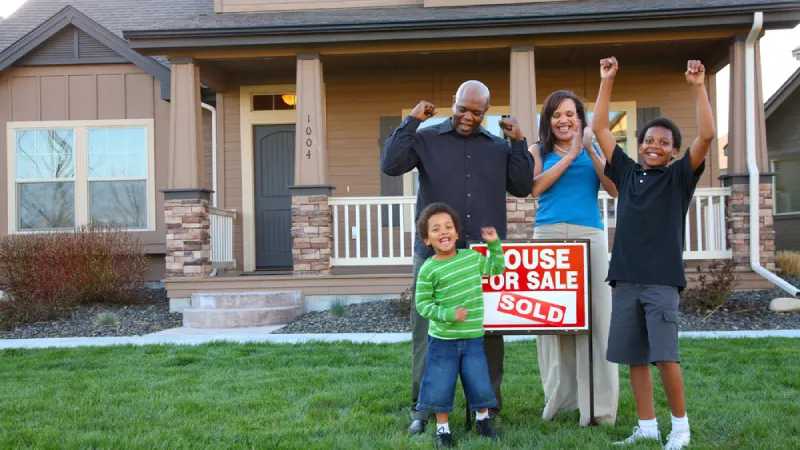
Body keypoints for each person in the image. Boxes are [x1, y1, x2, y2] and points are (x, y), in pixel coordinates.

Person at [381, 80, 534, 434]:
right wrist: (411, 121)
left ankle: (487, 407)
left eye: (476, 112)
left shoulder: (499, 147)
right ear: (454, 102)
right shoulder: (426, 138)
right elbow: (390, 165)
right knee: (428, 333)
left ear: (487, 111)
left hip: (482, 254)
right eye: (462, 108)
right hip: (435, 254)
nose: (467, 117)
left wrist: (518, 141)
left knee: (488, 332)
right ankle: (423, 409)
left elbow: (523, 185)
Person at [592, 57, 714, 450]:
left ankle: (680, 428)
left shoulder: (679, 178)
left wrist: (698, 87)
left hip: (661, 282)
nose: (655, 146)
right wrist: (606, 81)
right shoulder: (626, 172)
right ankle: (647, 425)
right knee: (636, 359)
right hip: (625, 280)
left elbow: (708, 135)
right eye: (649, 140)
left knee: (666, 358)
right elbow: (598, 128)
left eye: (664, 142)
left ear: (675, 152)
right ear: (638, 145)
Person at [530, 90, 620, 427]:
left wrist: (590, 149)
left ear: (580, 119)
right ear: (548, 121)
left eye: (570, 114)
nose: (563, 120)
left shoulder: (592, 148)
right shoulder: (537, 150)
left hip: (590, 237)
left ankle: (599, 409)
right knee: (553, 324)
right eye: (556, 115)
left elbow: (613, 188)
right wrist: (569, 156)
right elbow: (535, 187)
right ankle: (561, 401)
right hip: (548, 237)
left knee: (598, 323)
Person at [414, 202, 505, 447]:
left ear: (457, 233)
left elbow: (497, 269)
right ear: (426, 240)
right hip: (443, 341)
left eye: (448, 227)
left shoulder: (472, 259)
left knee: (479, 381)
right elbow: (423, 305)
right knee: (440, 383)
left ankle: (483, 421)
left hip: (473, 337)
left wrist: (493, 244)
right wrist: (449, 314)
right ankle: (442, 429)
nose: (443, 232)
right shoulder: (428, 269)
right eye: (435, 229)